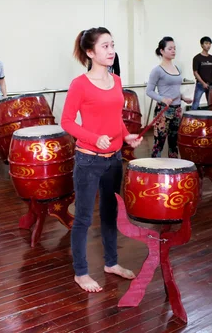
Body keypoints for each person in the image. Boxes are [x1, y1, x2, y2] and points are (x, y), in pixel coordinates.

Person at [61, 27, 142, 293]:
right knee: (83, 217)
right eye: (105, 46)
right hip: (88, 159)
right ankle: (81, 272)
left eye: (112, 45)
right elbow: (67, 122)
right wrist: (94, 138)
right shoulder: (79, 84)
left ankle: (111, 263)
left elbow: (115, 118)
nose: (111, 51)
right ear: (90, 52)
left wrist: (126, 136)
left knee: (110, 213)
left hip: (114, 158)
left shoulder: (116, 81)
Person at [147, 36, 192, 158]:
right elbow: (149, 91)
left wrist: (182, 97)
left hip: (177, 109)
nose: (173, 51)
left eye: (174, 48)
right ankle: (154, 171)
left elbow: (174, 89)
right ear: (162, 51)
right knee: (159, 143)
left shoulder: (177, 68)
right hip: (164, 110)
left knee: (174, 143)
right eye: (170, 48)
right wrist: (162, 99)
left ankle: (174, 171)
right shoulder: (157, 70)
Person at [191, 36, 212, 110]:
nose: (208, 45)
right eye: (206, 43)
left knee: (211, 104)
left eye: (209, 43)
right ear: (202, 45)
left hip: (210, 85)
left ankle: (211, 120)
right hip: (200, 85)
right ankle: (192, 120)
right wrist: (203, 83)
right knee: (195, 104)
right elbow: (195, 72)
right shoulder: (197, 58)